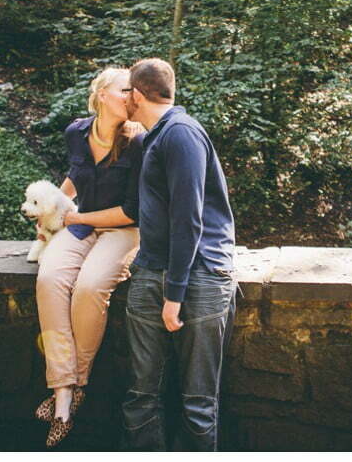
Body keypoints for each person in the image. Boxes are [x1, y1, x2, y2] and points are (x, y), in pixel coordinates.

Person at [120, 58, 237, 451]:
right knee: (140, 396)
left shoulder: (182, 134)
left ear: (136, 95)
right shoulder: (151, 138)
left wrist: (174, 293)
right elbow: (138, 209)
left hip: (198, 275)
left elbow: (189, 219)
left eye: (125, 92)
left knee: (198, 403)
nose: (123, 98)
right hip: (151, 269)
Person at [33, 67, 145, 448]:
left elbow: (133, 211)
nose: (132, 98)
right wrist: (51, 211)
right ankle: (62, 388)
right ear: (101, 94)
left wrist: (75, 216)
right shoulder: (76, 132)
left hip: (123, 229)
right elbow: (75, 177)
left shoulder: (139, 140)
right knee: (49, 279)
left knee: (90, 286)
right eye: (125, 91)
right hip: (80, 223)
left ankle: (78, 382)